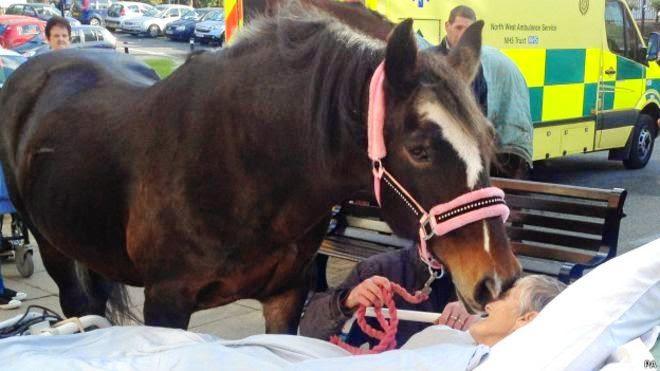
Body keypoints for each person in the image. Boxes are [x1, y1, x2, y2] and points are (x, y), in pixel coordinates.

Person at [299, 246, 479, 347]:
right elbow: (309, 329)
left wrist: (481, 318)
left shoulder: (490, 282)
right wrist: (347, 301)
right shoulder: (379, 269)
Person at [430, 5, 488, 115]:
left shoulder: (476, 67)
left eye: (468, 30)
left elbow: (482, 108)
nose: (463, 35)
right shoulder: (429, 59)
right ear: (447, 26)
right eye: (458, 28)